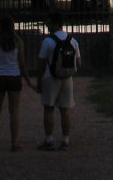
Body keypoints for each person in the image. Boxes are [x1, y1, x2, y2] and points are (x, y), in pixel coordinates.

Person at [35, 12, 81, 150]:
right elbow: (79, 62)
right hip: (67, 77)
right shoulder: (72, 41)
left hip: (50, 77)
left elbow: (41, 63)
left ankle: (49, 140)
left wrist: (39, 80)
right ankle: (65, 140)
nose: (47, 25)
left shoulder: (48, 41)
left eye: (49, 22)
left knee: (49, 109)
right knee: (65, 110)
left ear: (55, 23)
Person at [0, 16, 32, 151]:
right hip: (14, 76)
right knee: (14, 110)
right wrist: (28, 80)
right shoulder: (17, 41)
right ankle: (14, 142)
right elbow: (22, 63)